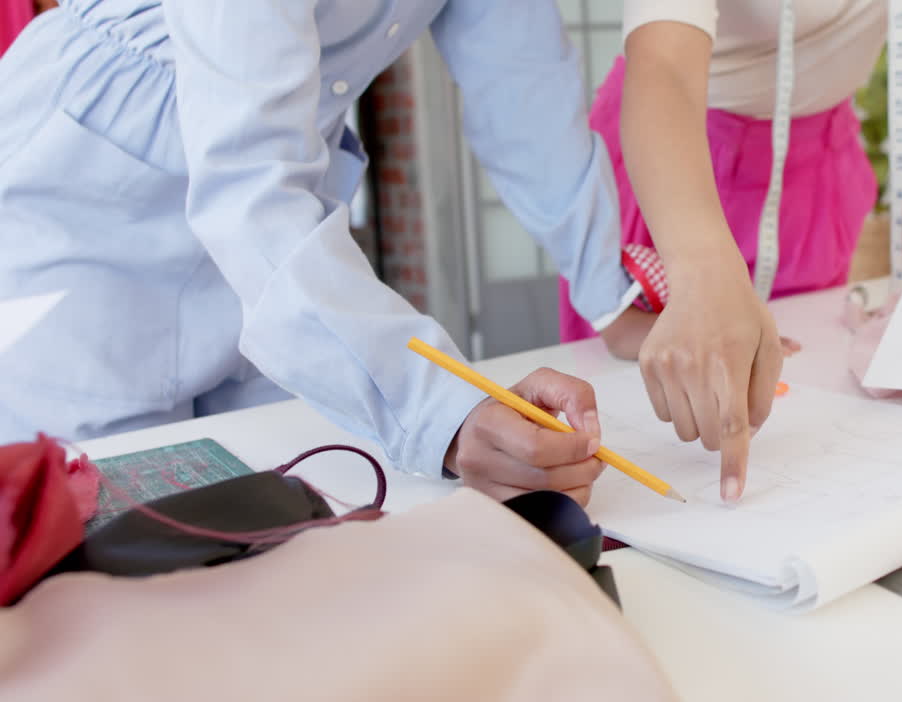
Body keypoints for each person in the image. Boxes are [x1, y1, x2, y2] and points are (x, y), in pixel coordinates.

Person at [0, 0, 780, 506]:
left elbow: (525, 98)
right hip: (78, 222)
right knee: (100, 570)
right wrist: (441, 408)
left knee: (300, 527)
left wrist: (619, 293)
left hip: (266, 250)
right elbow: (247, 189)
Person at [564, 0, 902, 382]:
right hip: (675, 164)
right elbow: (666, 64)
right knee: (652, 408)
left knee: (810, 403)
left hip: (815, 170)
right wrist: (701, 280)